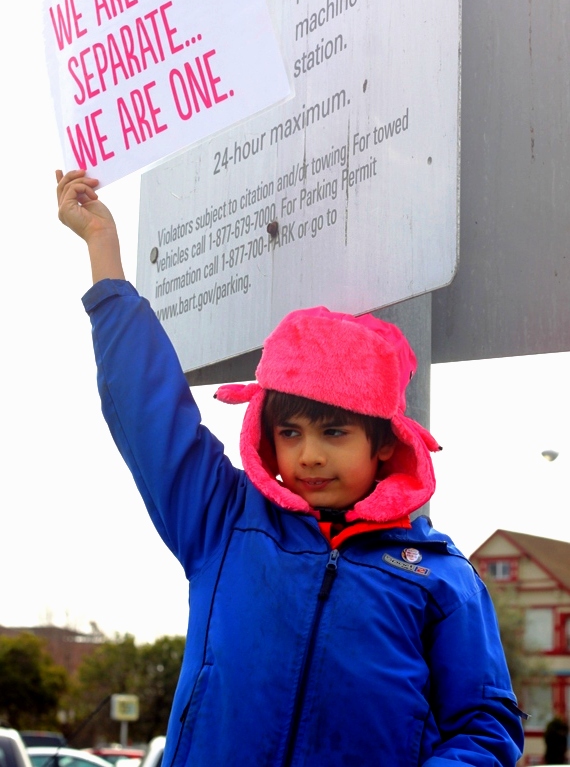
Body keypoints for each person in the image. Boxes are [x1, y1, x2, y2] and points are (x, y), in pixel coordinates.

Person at [57, 169, 527, 766]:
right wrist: (103, 249)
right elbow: (152, 414)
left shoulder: (442, 578)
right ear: (266, 435)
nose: (308, 454)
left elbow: (485, 726)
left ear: (384, 443)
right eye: (290, 432)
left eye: (334, 432)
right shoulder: (222, 525)